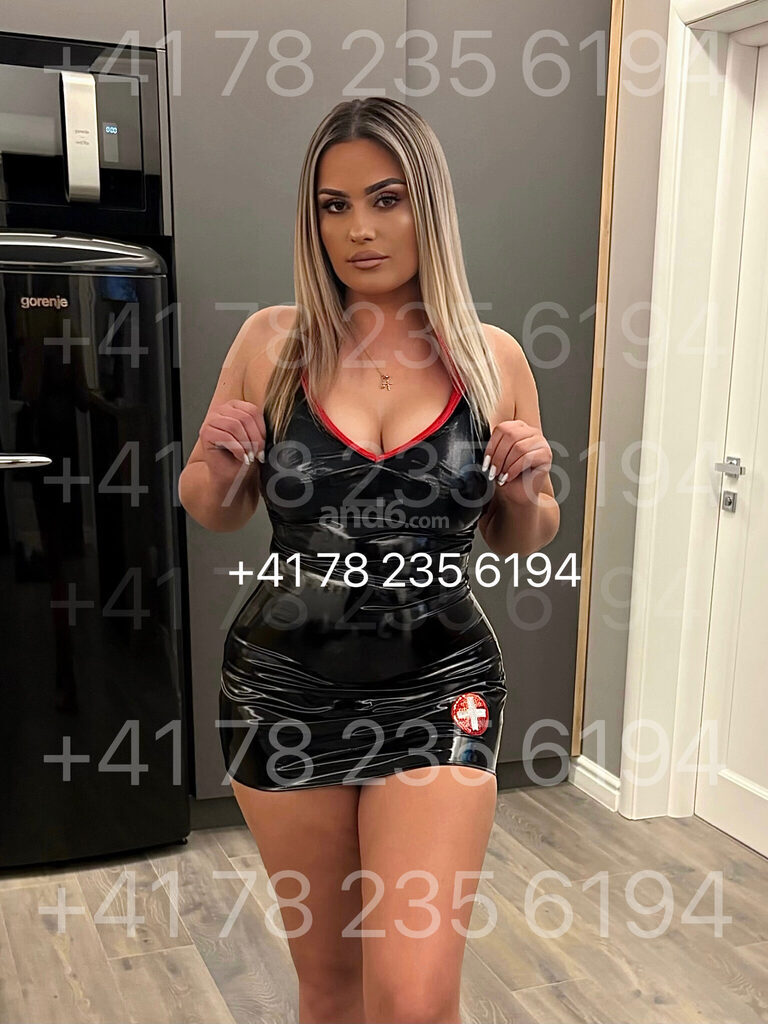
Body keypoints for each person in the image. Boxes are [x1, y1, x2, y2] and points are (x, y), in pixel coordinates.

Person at [179, 97, 558, 1024]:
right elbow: (215, 508)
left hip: (443, 686)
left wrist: (527, 488)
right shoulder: (272, 343)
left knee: (417, 999)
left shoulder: (492, 358)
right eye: (334, 205)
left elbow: (523, 534)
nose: (360, 229)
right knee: (332, 990)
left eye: (386, 199)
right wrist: (219, 462)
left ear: (428, 207)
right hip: (282, 688)